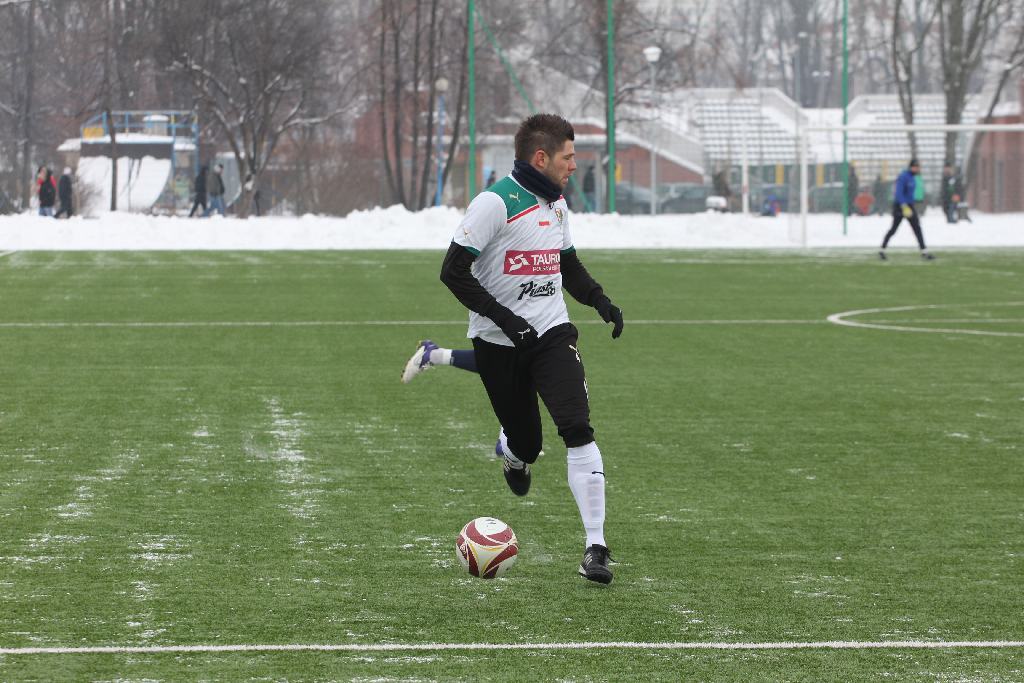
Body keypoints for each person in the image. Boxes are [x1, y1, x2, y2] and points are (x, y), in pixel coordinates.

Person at [437, 113, 624, 584]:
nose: (574, 166)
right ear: (541, 158)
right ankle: (514, 452)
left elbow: (568, 267)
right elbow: (452, 272)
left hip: (552, 334)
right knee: (529, 442)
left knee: (577, 427)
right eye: (569, 157)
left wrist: (599, 299)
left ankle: (596, 548)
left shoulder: (558, 207)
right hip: (498, 342)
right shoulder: (494, 204)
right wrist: (506, 319)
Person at [879, 159, 934, 261]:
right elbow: (899, 192)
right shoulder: (903, 176)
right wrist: (904, 206)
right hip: (900, 206)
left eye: (918, 167)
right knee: (894, 229)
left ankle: (924, 252)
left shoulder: (914, 178)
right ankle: (882, 249)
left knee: (917, 228)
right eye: (915, 167)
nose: (917, 169)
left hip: (909, 205)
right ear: (911, 167)